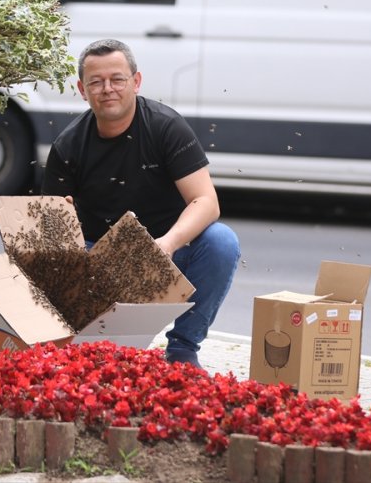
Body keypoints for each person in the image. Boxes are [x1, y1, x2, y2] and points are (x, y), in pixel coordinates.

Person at [42, 39, 241, 368]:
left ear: (136, 81)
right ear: (81, 89)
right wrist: (63, 226)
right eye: (96, 81)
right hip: (101, 254)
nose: (108, 89)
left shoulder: (166, 127)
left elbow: (206, 202)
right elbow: (47, 233)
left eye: (117, 79)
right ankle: (91, 347)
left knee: (222, 241)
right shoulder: (67, 146)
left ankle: (183, 350)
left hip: (167, 247)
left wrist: (169, 243)